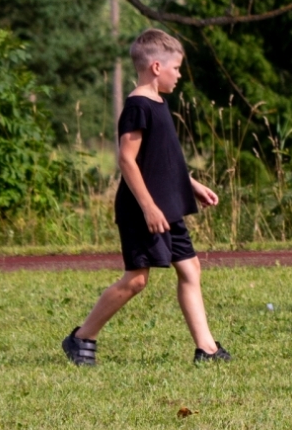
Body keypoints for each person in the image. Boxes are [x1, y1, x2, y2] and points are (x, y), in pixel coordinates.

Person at [62, 28, 228, 366]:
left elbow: (162, 159)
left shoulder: (158, 103)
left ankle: (207, 350)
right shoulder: (138, 105)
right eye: (176, 68)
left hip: (167, 207)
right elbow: (126, 159)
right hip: (143, 210)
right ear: (156, 66)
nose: (179, 75)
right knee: (137, 280)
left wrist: (191, 183)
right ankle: (81, 339)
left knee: (190, 269)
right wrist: (149, 207)